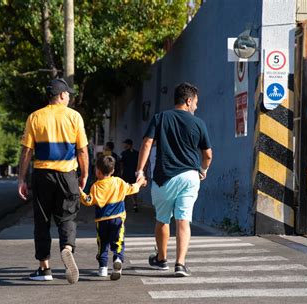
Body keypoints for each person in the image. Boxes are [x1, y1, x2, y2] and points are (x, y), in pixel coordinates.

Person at [136, 82, 212, 277]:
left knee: (162, 220)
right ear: (188, 101)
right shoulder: (199, 123)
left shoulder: (160, 118)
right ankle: (180, 264)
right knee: (183, 220)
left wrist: (140, 171)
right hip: (189, 176)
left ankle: (161, 259)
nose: (196, 106)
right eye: (195, 102)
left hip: (165, 177)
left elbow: (146, 144)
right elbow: (208, 155)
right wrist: (203, 170)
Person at [18, 78, 89, 284]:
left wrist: (21, 179)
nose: (69, 97)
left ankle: (45, 268)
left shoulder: (35, 117)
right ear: (61, 95)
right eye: (68, 94)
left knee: (42, 221)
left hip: (42, 175)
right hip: (67, 175)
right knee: (67, 217)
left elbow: (27, 151)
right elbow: (82, 150)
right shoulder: (74, 117)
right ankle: (67, 247)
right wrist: (84, 174)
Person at [80, 155, 145, 280]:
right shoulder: (118, 182)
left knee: (102, 244)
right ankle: (118, 259)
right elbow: (133, 189)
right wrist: (140, 182)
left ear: (97, 171)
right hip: (118, 220)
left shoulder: (96, 186)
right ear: (113, 171)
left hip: (101, 222)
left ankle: (102, 268)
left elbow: (88, 201)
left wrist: (80, 193)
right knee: (118, 242)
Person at [120, 138, 140, 212]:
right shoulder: (136, 153)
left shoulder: (124, 153)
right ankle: (135, 205)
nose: (124, 145)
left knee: (125, 190)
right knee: (133, 189)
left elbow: (121, 164)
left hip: (126, 174)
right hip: (133, 174)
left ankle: (124, 206)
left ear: (129, 145)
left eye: (125, 144)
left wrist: (121, 173)